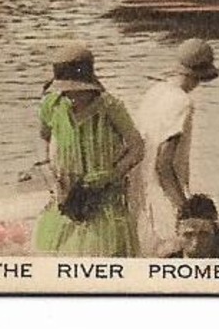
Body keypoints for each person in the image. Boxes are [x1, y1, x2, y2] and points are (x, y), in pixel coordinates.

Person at [34, 42, 144, 256]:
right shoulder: (53, 104)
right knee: (52, 250)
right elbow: (42, 138)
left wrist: (112, 174)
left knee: (102, 251)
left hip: (104, 196)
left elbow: (137, 148)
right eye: (66, 90)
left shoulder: (110, 107)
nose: (72, 96)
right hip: (67, 193)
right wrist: (48, 171)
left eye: (77, 91)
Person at [129, 38, 219, 257]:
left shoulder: (156, 91)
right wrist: (184, 207)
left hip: (139, 185)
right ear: (200, 75)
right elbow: (164, 163)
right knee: (179, 251)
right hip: (163, 193)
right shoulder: (182, 102)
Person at [168, 194, 219, 259]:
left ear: (214, 232)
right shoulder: (163, 265)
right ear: (177, 232)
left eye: (204, 234)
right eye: (188, 235)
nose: (196, 243)